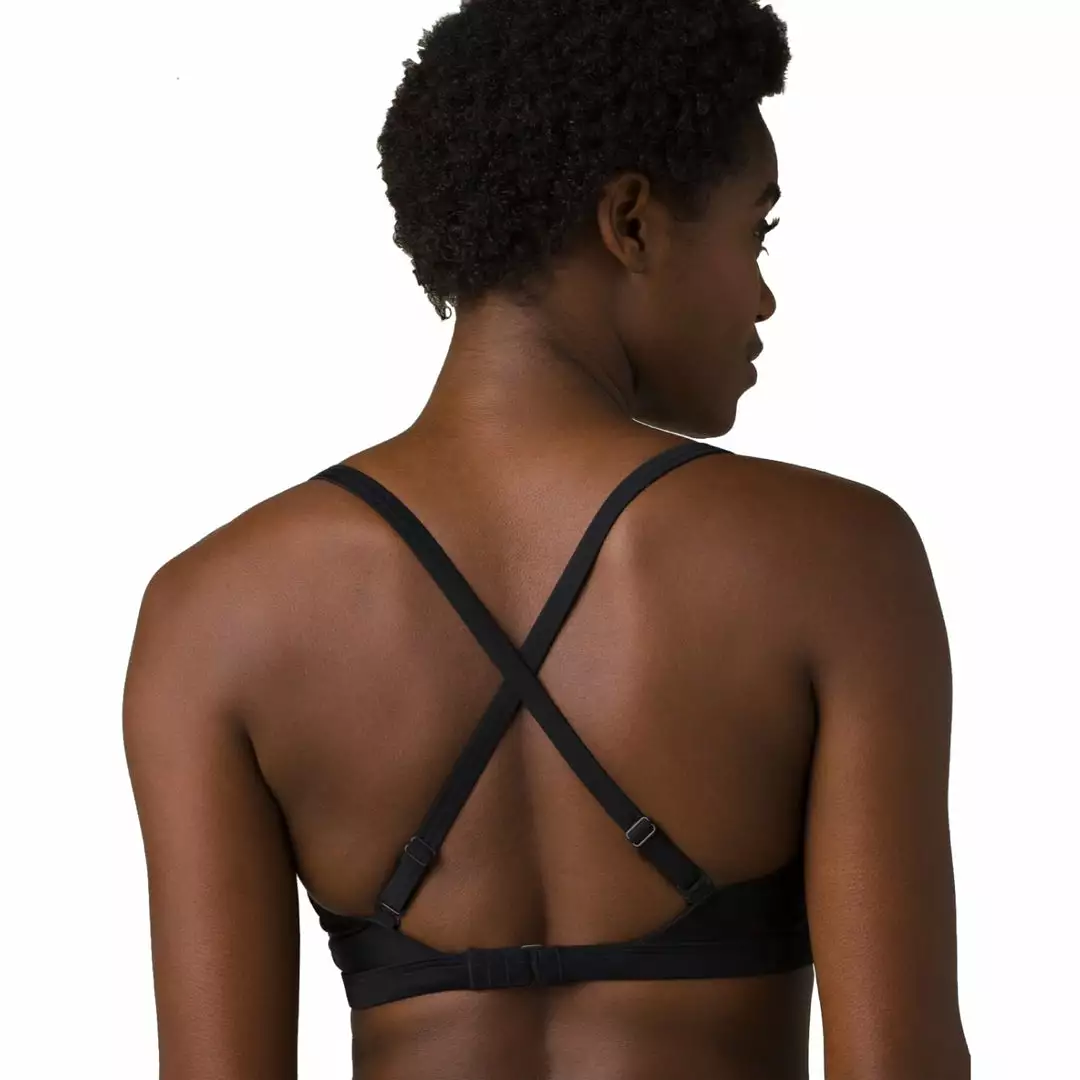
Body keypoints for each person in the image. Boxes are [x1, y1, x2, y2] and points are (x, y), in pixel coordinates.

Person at [122, 2, 970, 1078]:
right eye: (755, 234)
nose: (763, 297)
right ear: (632, 223)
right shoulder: (839, 561)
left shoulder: (209, 615)